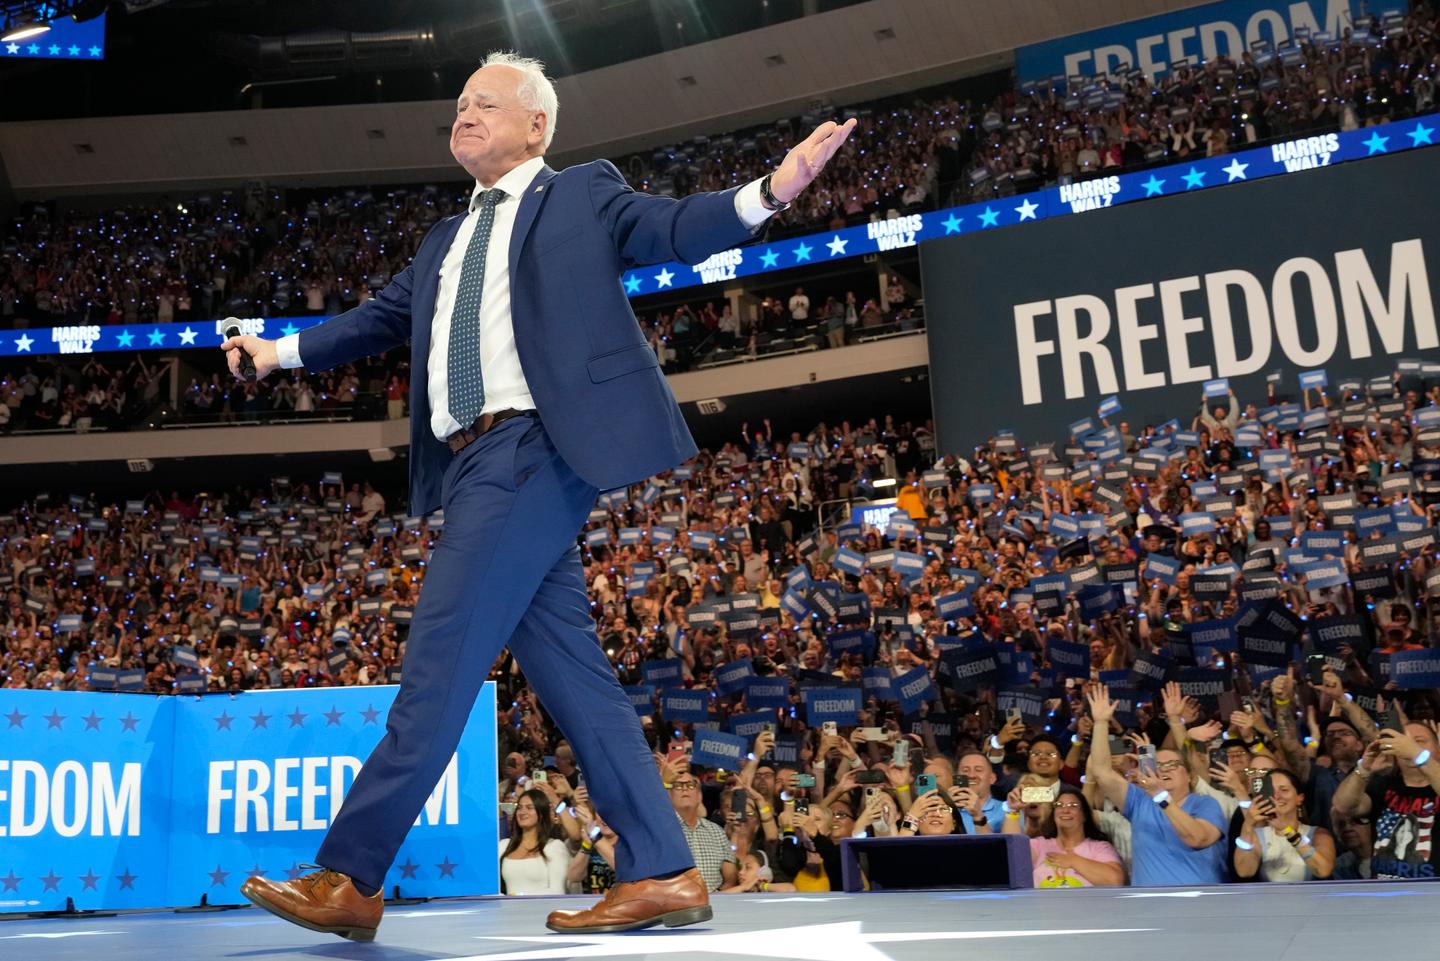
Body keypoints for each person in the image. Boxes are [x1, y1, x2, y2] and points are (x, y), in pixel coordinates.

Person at [231, 50, 856, 941]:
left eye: (485, 102)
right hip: (471, 464)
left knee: (440, 659)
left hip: (532, 446)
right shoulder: (442, 242)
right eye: (459, 104)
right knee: (575, 678)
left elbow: (676, 227)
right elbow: (370, 320)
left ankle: (353, 874)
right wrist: (277, 352)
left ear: (538, 126)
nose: (464, 113)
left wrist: (770, 191)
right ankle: (666, 868)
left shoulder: (580, 194)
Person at [1086, 688, 1227, 886]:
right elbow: (1101, 771)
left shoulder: (1205, 804)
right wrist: (1100, 723)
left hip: (1199, 908)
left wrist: (1161, 796)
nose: (1164, 770)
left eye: (1172, 765)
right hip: (1149, 908)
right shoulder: (1139, 802)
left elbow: (1197, 838)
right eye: (1158, 766)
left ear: (1189, 776)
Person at [1333, 720, 1440, 879]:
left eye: (1419, 741)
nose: (1409, 747)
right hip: (1383, 892)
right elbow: (1343, 805)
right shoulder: (1383, 786)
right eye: (1404, 743)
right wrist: (1365, 767)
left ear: (1438, 748)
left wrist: (1417, 754)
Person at [1028, 784, 1124, 887]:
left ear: (1084, 815)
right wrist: (1013, 811)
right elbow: (1013, 862)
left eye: (1073, 806)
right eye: (1059, 805)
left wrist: (1073, 861)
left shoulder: (1099, 847)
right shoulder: (1039, 845)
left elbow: (1115, 881)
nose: (1065, 810)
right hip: (1043, 903)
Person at [499, 790, 570, 894]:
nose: (522, 812)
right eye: (519, 808)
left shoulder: (554, 847)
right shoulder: (503, 845)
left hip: (544, 909)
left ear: (541, 814)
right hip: (508, 909)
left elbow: (557, 892)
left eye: (529, 807)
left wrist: (518, 898)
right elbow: (490, 886)